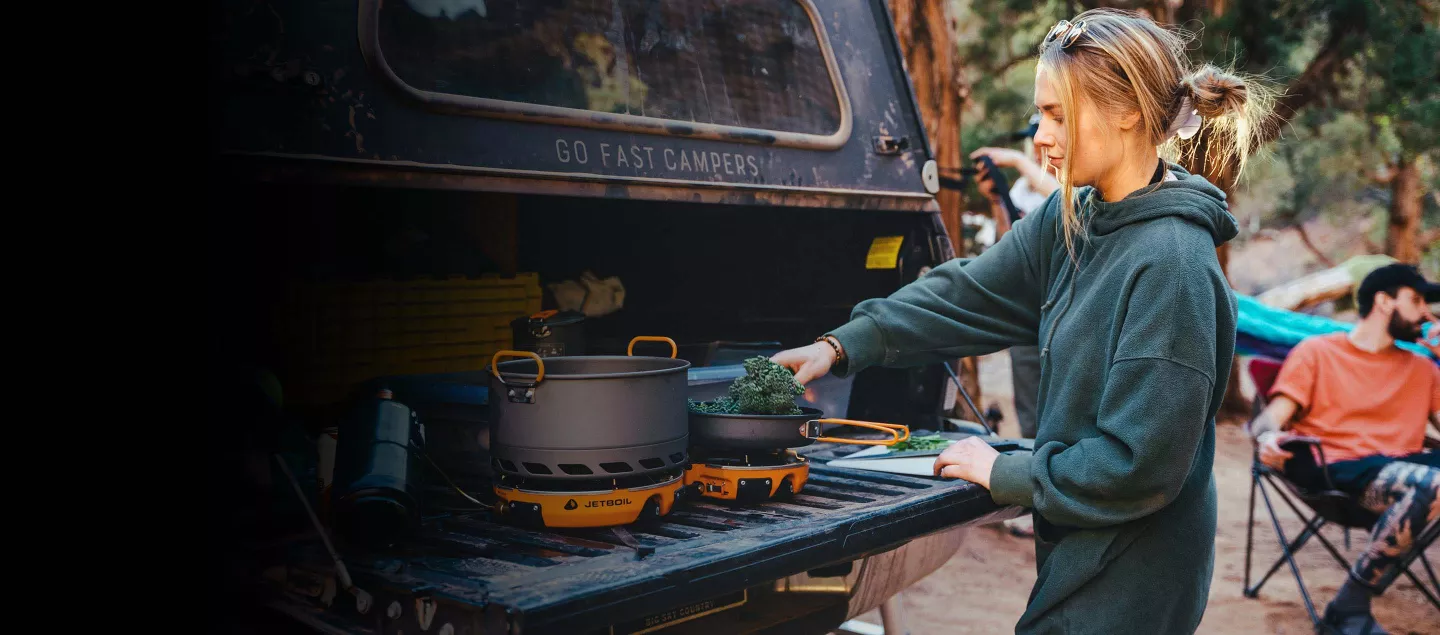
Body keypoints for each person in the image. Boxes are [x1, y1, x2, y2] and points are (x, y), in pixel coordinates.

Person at [773, 8, 1274, 633]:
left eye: (1057, 114)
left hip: (1134, 577)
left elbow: (1139, 467)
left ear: (1127, 112)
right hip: (1079, 549)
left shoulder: (1171, 265)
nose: (1039, 135)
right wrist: (844, 345)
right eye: (1040, 114)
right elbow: (969, 292)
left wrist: (1003, 470)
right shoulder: (1075, 219)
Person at [1250, 263, 1440, 635]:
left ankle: (1347, 605)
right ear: (1384, 302)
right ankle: (1349, 606)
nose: (1427, 314)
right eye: (1416, 300)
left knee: (1429, 482)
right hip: (1333, 469)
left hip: (1407, 471)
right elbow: (1270, 419)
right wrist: (1266, 439)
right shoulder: (1318, 352)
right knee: (1432, 483)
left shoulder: (1424, 370)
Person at [970, 119, 1060, 538]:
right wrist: (997, 200)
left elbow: (1061, 197)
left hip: (1063, 311)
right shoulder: (1026, 188)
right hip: (1030, 311)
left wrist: (1018, 163)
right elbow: (1010, 243)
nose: (1039, 145)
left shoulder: (1076, 183)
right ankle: (1032, 496)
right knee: (1030, 404)